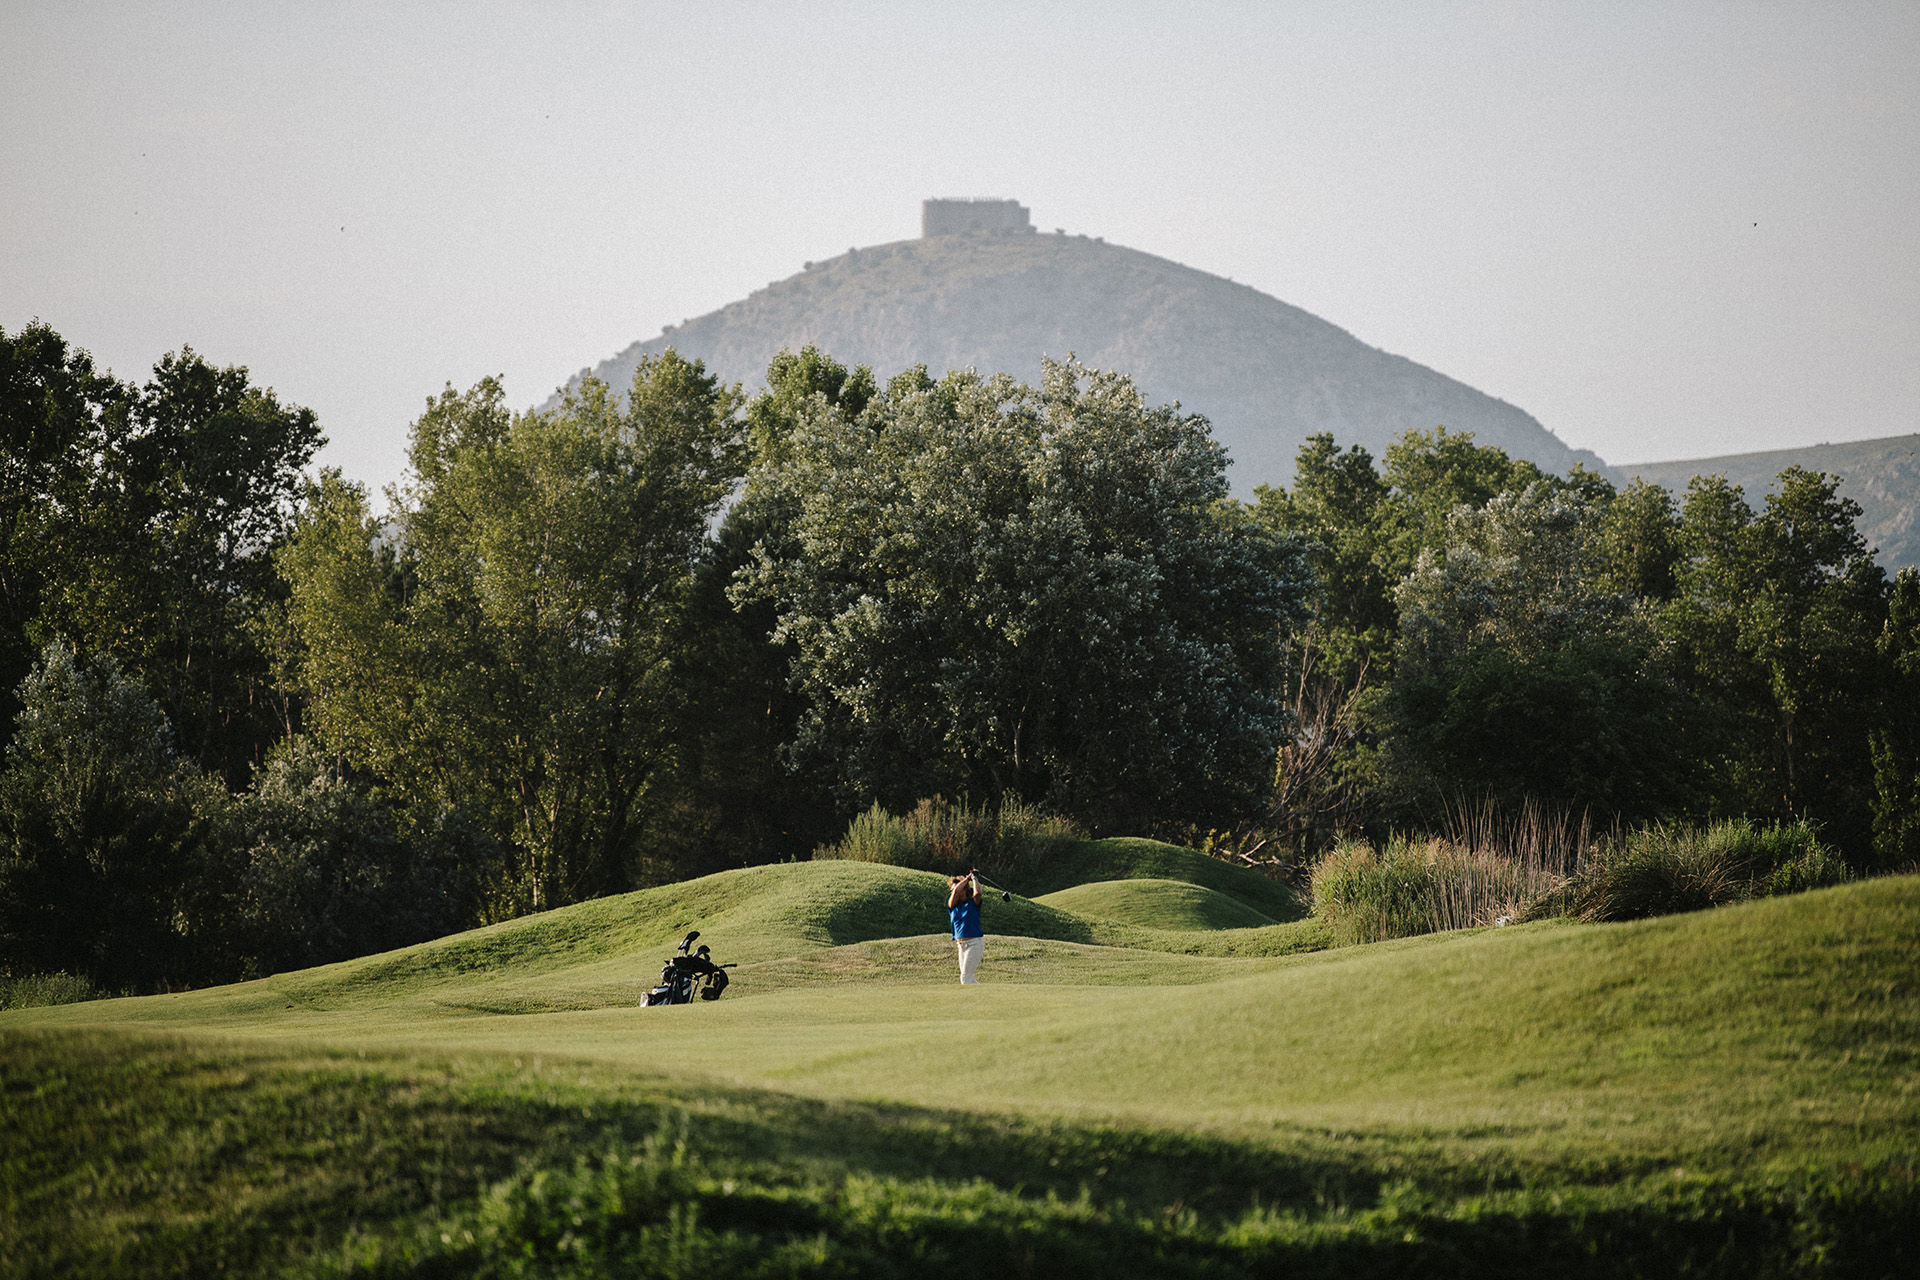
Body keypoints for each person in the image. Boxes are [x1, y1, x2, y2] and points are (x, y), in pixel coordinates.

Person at [947, 870, 984, 984]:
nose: (953, 891)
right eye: (951, 890)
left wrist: (974, 879)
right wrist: (968, 877)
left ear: (964, 890)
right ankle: (986, 997)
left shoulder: (972, 903)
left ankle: (969, 1000)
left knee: (965, 977)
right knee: (969, 978)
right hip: (961, 945)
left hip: (974, 943)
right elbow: (956, 892)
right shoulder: (952, 906)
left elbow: (977, 893)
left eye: (955, 888)